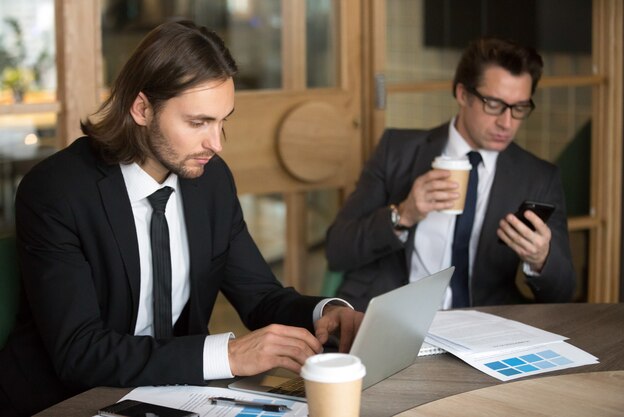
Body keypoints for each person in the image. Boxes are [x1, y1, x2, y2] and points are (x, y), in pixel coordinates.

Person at [0, 20, 362, 416]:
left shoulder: (210, 181)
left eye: (224, 121)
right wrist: (230, 354)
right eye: (198, 123)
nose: (216, 143)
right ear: (142, 108)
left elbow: (260, 296)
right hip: (67, 400)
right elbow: (80, 351)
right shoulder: (57, 190)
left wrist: (326, 313)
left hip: (175, 395)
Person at [326, 36, 575, 312]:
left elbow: (563, 292)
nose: (507, 122)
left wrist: (540, 259)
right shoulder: (396, 150)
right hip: (393, 314)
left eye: (519, 108)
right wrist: (402, 215)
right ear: (462, 94)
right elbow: (337, 250)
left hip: (486, 324)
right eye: (493, 105)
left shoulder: (538, 177)